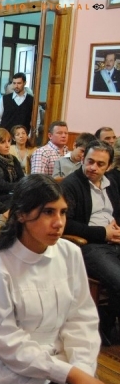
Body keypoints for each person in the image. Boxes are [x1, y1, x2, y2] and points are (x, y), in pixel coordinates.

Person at [0, 174, 111, 384]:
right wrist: (69, 374)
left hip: (57, 355)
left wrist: (82, 368)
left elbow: (81, 318)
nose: (59, 222)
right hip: (4, 364)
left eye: (63, 212)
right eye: (48, 212)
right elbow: (7, 341)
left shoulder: (70, 253)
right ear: (21, 214)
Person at [61, 140, 120, 345]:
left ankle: (108, 321)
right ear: (83, 159)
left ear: (109, 166)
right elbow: (66, 224)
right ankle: (106, 324)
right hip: (90, 245)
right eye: (90, 161)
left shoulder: (111, 184)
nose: (93, 167)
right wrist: (103, 233)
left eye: (100, 164)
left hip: (114, 240)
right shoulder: (71, 184)